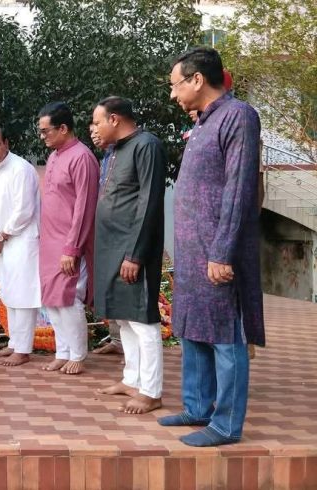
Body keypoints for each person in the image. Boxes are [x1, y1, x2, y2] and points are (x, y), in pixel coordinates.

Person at [161, 47, 264, 447]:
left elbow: (238, 189)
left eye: (176, 85)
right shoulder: (204, 121)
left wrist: (222, 252)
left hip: (216, 253)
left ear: (197, 80)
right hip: (192, 252)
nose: (173, 94)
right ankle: (197, 407)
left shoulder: (238, 116)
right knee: (192, 330)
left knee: (224, 336)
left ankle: (225, 425)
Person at [91, 96, 166, 414]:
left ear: (115, 119)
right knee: (123, 318)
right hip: (111, 247)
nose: (94, 128)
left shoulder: (146, 145)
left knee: (141, 319)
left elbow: (149, 202)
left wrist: (135, 255)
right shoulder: (114, 151)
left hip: (132, 249)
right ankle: (132, 380)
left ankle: (151, 391)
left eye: (97, 122)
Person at [36, 103, 99, 375]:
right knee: (52, 300)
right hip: (49, 243)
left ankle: (78, 355)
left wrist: (72, 248)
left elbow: (85, 208)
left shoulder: (82, 157)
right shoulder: (54, 156)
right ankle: (62, 352)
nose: (42, 136)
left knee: (69, 299)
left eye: (46, 131)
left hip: (70, 245)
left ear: (63, 128)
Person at [0, 127, 41, 367]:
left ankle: (23, 350)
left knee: (22, 294)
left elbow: (24, 211)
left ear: (7, 143)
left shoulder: (21, 168)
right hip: (2, 240)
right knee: (8, 291)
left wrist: (1, 237)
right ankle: (14, 342)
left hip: (23, 239)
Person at [88, 123, 122, 356]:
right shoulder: (107, 157)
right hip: (104, 233)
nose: (94, 134)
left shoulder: (128, 153)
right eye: (91, 131)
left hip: (121, 234)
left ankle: (128, 347)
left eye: (97, 128)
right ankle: (117, 339)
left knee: (121, 288)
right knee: (110, 288)